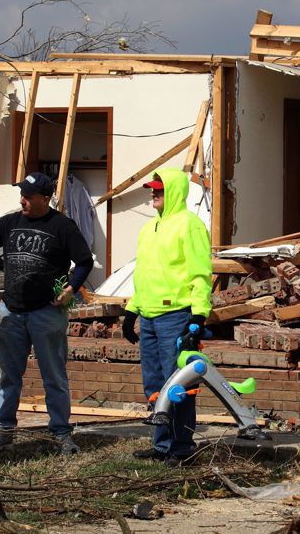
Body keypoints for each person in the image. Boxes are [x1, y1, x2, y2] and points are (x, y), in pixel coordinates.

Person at [0, 172, 94, 455]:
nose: (22, 199)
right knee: (9, 375)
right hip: (11, 311)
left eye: (28, 196)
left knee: (54, 376)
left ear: (45, 199)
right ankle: (2, 431)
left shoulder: (62, 226)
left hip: (46, 313)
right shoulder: (11, 222)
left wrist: (72, 288)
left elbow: (84, 261)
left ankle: (61, 433)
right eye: (21, 194)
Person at [121, 168, 212, 465]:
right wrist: (131, 310)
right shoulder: (150, 229)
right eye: (152, 189)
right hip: (149, 317)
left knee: (179, 385)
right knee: (155, 385)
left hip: (175, 316)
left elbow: (201, 274)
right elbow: (144, 275)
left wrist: (198, 315)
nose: (153, 193)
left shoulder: (190, 226)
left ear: (173, 192)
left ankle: (182, 448)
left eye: (159, 190)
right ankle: (161, 445)